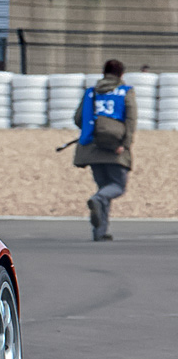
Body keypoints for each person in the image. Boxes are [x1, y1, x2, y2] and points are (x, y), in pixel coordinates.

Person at [73, 59, 137, 242]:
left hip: (93, 149)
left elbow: (79, 119)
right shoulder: (125, 92)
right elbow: (131, 122)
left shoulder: (91, 92)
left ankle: (100, 232)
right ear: (121, 74)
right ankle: (97, 200)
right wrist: (125, 144)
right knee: (117, 187)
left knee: (104, 187)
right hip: (114, 149)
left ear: (104, 72)